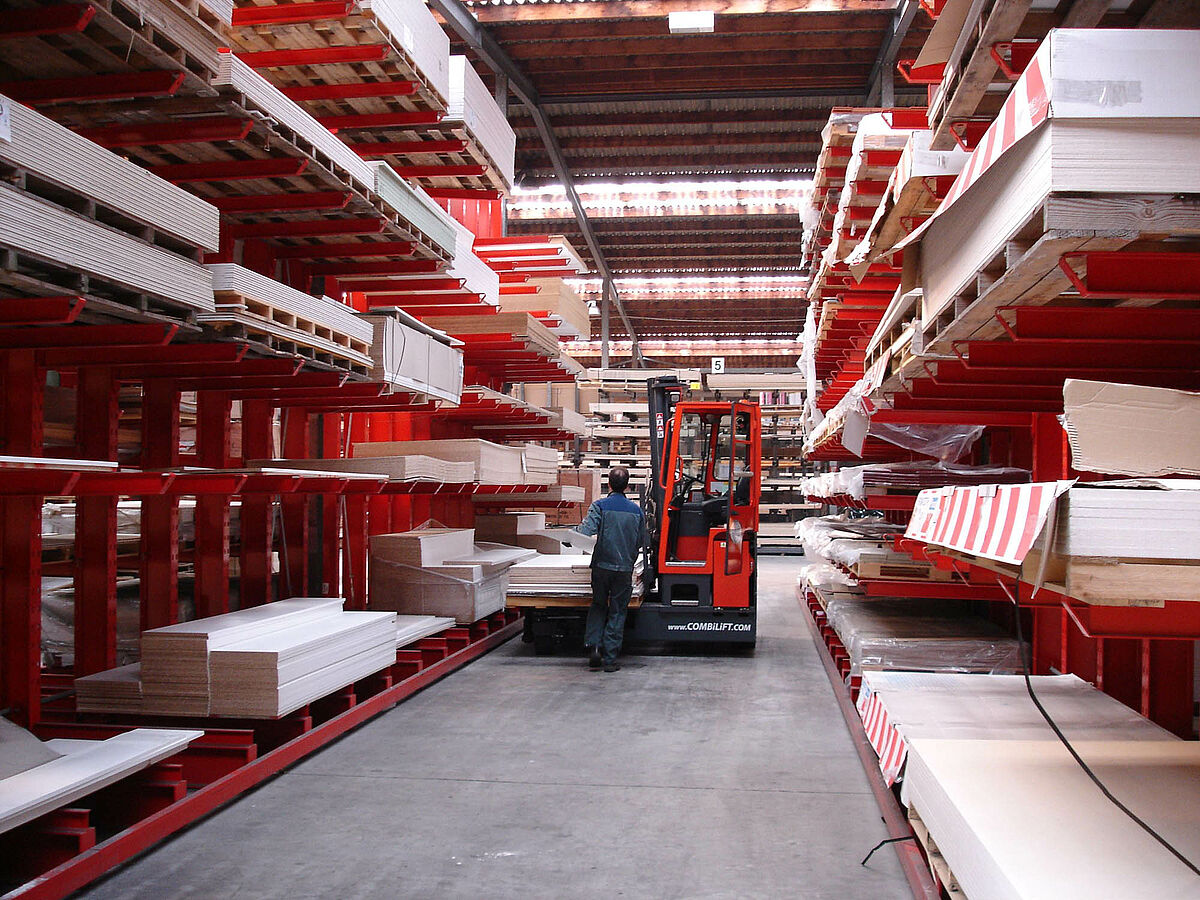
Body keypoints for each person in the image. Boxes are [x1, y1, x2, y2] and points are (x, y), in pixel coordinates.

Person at [574, 466, 645, 673]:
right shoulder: (637, 511)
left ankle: (594, 647)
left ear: (608, 485)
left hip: (602, 566)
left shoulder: (600, 506)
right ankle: (610, 659)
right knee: (617, 611)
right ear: (628, 486)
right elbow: (640, 541)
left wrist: (571, 536)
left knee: (598, 605)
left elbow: (586, 531)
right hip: (624, 569)